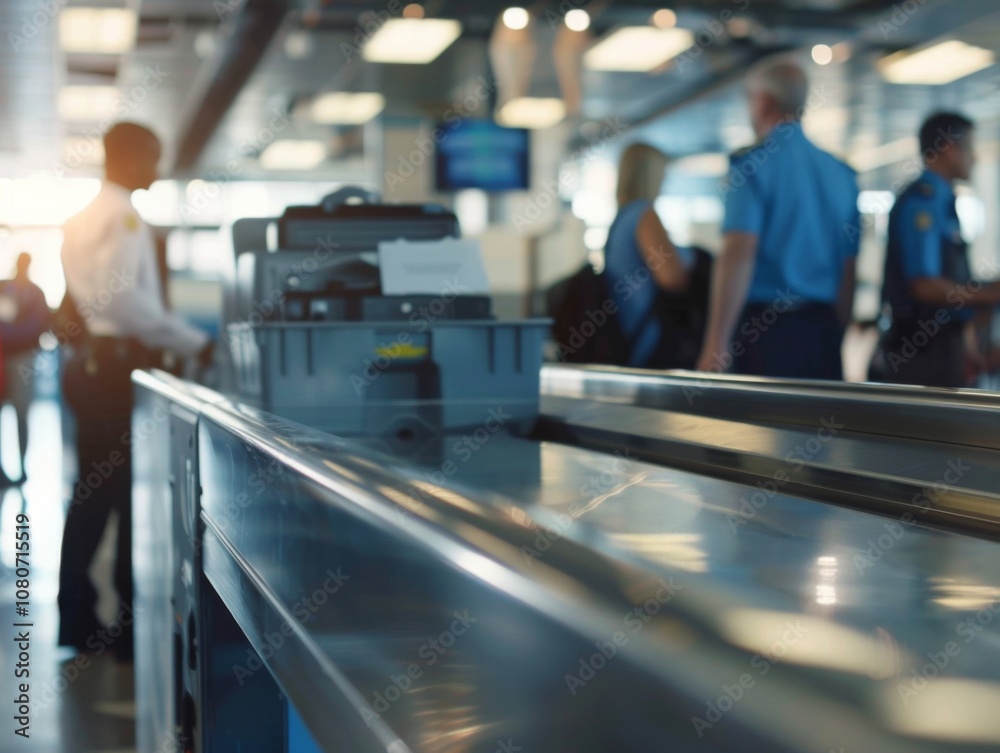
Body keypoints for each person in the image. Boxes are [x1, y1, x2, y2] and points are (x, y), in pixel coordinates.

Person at [57, 122, 213, 658]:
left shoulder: (84, 216)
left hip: (92, 367)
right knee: (113, 497)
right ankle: (115, 623)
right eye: (152, 156)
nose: (157, 168)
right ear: (126, 157)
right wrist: (195, 342)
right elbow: (123, 304)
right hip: (115, 369)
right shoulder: (123, 216)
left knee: (96, 496)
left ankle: (83, 616)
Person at [696, 60, 860, 379]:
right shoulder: (842, 174)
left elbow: (739, 253)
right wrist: (836, 334)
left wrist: (716, 343)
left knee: (760, 428)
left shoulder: (751, 165)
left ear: (763, 102)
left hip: (765, 333)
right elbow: (848, 269)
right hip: (821, 329)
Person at [869, 112, 1000, 387]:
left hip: (943, 346)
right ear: (948, 149)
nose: (973, 158)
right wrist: (988, 294)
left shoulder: (943, 201)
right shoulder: (923, 203)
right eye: (969, 149)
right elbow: (924, 286)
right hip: (921, 352)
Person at [603, 142, 703, 368]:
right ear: (651, 174)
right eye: (662, 174)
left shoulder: (620, 219)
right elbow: (671, 278)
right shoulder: (644, 214)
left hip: (627, 330)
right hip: (648, 335)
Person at [0, 253, 50, 483]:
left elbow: (38, 325)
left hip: (21, 359)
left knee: (21, 413)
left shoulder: (34, 293)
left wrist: (10, 335)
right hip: (8, 358)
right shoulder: (6, 288)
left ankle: (21, 467)